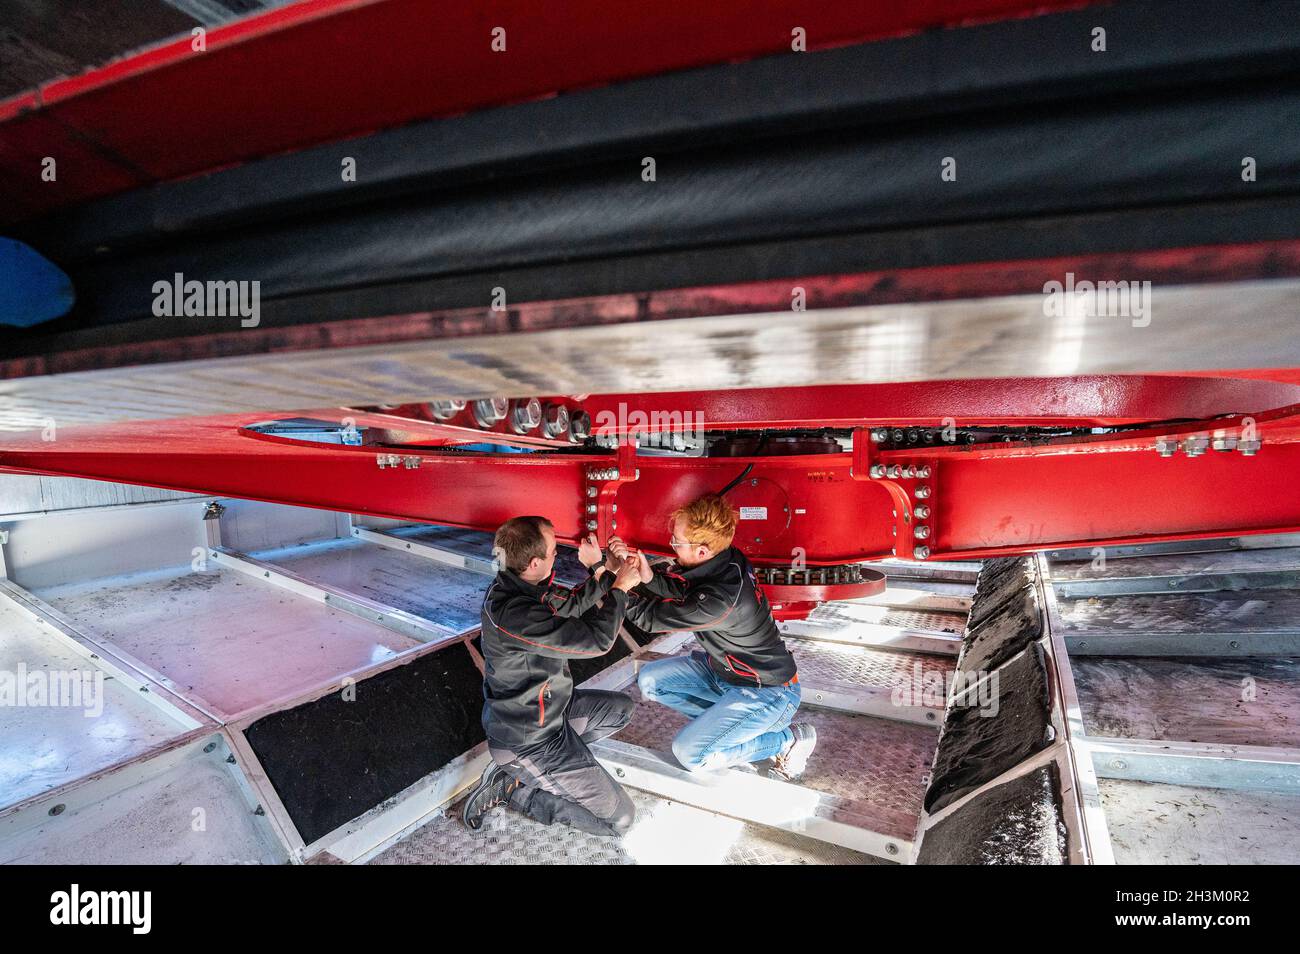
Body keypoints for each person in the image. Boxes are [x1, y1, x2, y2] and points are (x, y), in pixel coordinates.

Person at [461, 516, 644, 836]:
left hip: (551, 713)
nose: (558, 554)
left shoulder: (519, 585)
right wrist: (620, 591)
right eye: (554, 550)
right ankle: (519, 791)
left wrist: (608, 571)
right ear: (533, 563)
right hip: (529, 740)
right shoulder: (516, 614)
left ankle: (553, 772)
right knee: (621, 821)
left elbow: (570, 604)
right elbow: (597, 642)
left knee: (620, 711)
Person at [625, 494, 817, 780]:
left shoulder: (722, 601)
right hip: (724, 674)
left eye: (677, 542)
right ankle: (728, 729)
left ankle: (787, 740)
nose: (671, 545)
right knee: (651, 681)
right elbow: (688, 590)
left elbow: (648, 618)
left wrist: (610, 581)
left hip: (769, 692)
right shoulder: (727, 557)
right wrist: (649, 577)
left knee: (690, 754)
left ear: (702, 551)